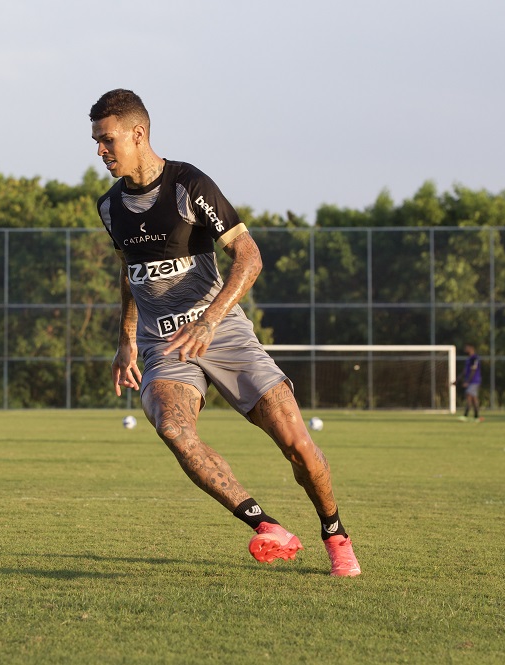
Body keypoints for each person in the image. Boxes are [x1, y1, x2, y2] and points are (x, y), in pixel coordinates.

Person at [90, 89, 361, 576]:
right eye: (96, 142)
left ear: (138, 134)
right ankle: (267, 527)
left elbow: (250, 256)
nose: (100, 152)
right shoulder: (110, 207)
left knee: (298, 445)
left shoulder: (188, 185)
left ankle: (334, 532)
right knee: (174, 429)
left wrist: (210, 320)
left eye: (108, 141)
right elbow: (129, 272)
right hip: (163, 345)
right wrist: (126, 339)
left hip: (224, 332)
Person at [460, 344, 482, 422]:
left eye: (467, 348)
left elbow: (473, 370)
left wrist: (467, 382)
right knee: (473, 399)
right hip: (470, 381)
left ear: (471, 348)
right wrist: (457, 379)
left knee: (469, 396)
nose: (465, 349)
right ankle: (476, 417)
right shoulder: (468, 359)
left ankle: (466, 416)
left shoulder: (475, 358)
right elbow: (465, 371)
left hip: (474, 381)